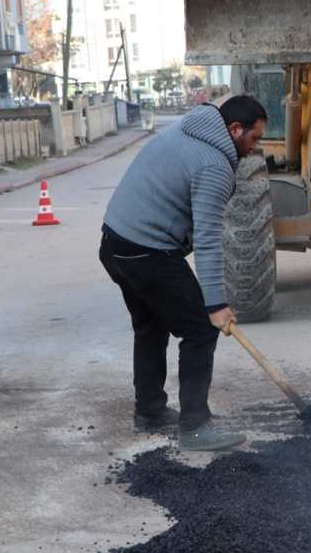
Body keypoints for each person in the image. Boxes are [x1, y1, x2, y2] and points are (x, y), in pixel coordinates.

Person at [100, 94, 268, 452]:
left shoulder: (189, 128)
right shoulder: (214, 165)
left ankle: (149, 412)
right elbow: (208, 239)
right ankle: (194, 427)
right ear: (235, 130)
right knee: (199, 328)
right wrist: (216, 304)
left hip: (115, 243)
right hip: (145, 250)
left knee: (151, 324)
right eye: (253, 139)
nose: (255, 149)